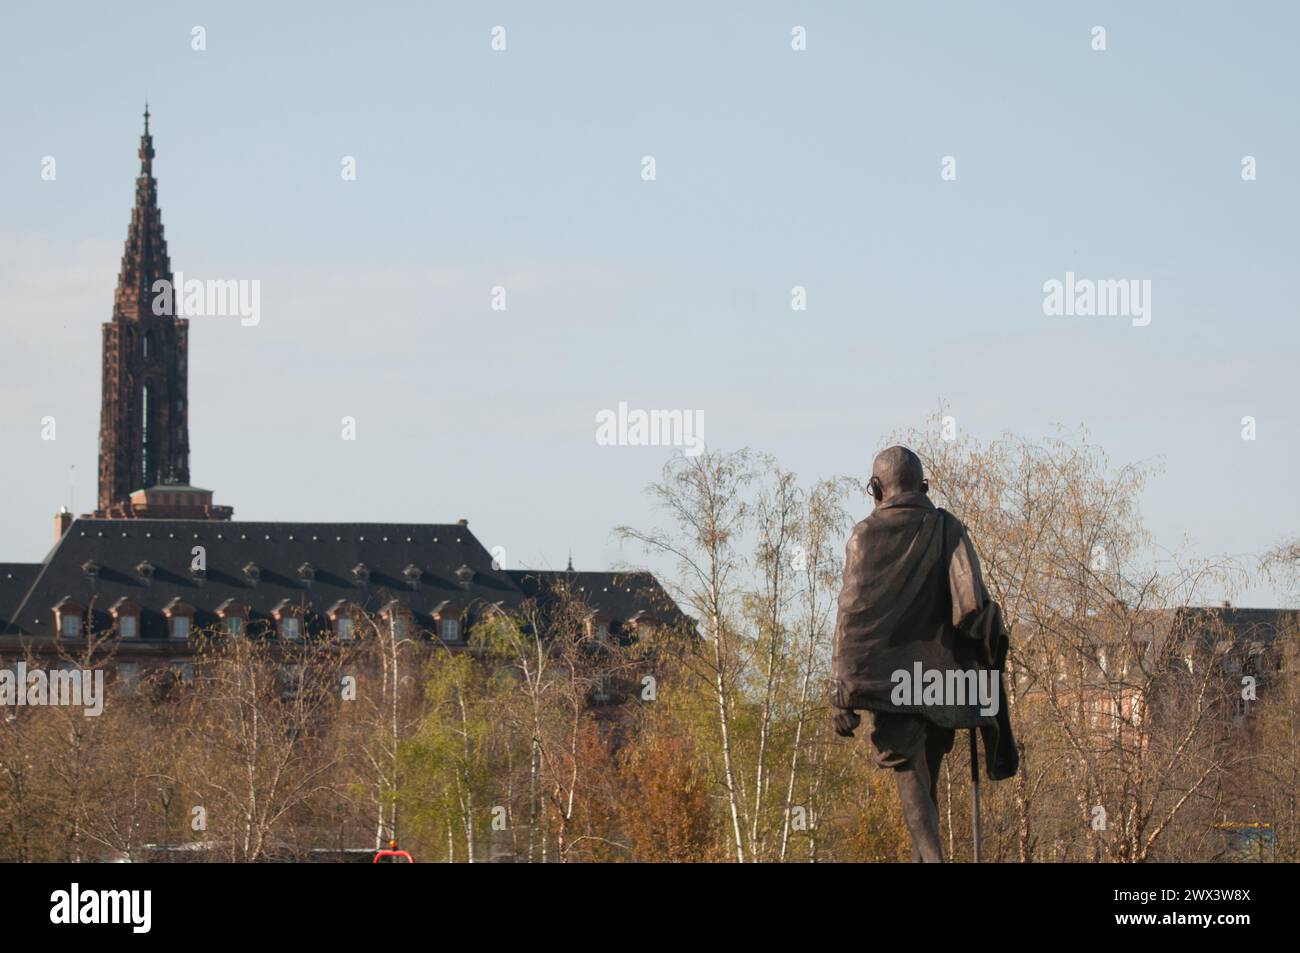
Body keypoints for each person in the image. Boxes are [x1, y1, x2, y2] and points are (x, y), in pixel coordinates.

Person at [831, 446, 1016, 862]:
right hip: (944, 685)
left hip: (893, 685)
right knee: (925, 787)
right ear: (924, 486)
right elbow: (972, 606)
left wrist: (842, 690)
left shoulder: (866, 536)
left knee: (912, 784)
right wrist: (990, 637)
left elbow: (852, 613)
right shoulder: (948, 529)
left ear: (876, 488)